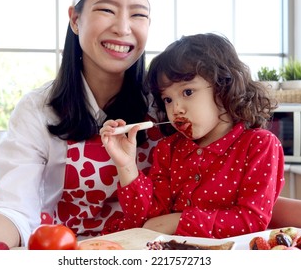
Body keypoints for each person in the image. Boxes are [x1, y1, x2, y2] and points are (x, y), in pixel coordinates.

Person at [0, 0, 301, 248]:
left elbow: (240, 200)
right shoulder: (39, 109)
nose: (123, 27)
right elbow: (14, 217)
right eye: (106, 9)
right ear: (75, 19)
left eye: (138, 14)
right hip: (74, 251)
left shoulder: (164, 100)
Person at [100, 33, 285, 238]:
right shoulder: (167, 149)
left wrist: (178, 220)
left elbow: (252, 220)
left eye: (187, 92)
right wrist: (126, 165)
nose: (176, 108)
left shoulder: (260, 145)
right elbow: (145, 219)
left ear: (223, 87)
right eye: (168, 99)